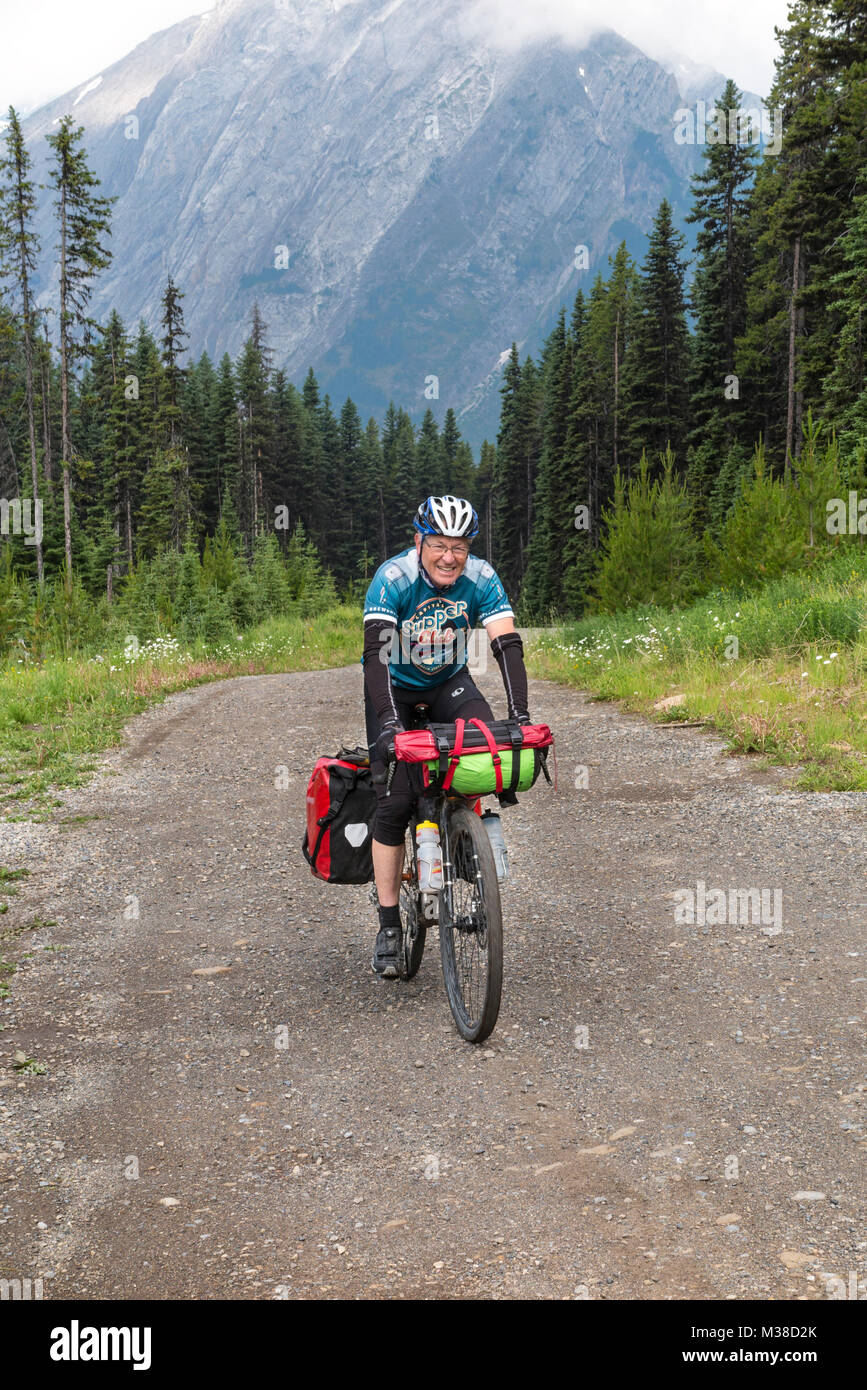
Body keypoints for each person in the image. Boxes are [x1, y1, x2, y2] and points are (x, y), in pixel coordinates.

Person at [362, 494, 532, 977]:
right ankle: (390, 923)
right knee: (394, 801)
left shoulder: (481, 578)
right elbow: (376, 658)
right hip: (393, 684)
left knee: (479, 750)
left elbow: (506, 643)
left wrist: (519, 714)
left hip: (449, 682)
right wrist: (391, 728)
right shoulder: (393, 579)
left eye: (459, 546)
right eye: (438, 544)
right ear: (419, 542)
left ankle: (469, 861)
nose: (448, 556)